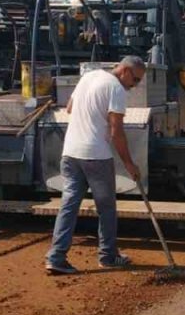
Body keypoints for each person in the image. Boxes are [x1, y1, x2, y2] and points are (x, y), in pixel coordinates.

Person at [45, 56, 146, 275]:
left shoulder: (89, 76)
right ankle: (108, 256)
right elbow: (116, 130)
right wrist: (129, 163)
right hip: (96, 156)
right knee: (106, 208)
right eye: (135, 80)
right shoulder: (116, 89)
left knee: (69, 204)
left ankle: (56, 256)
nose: (134, 85)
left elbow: (70, 107)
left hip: (71, 152)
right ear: (125, 71)